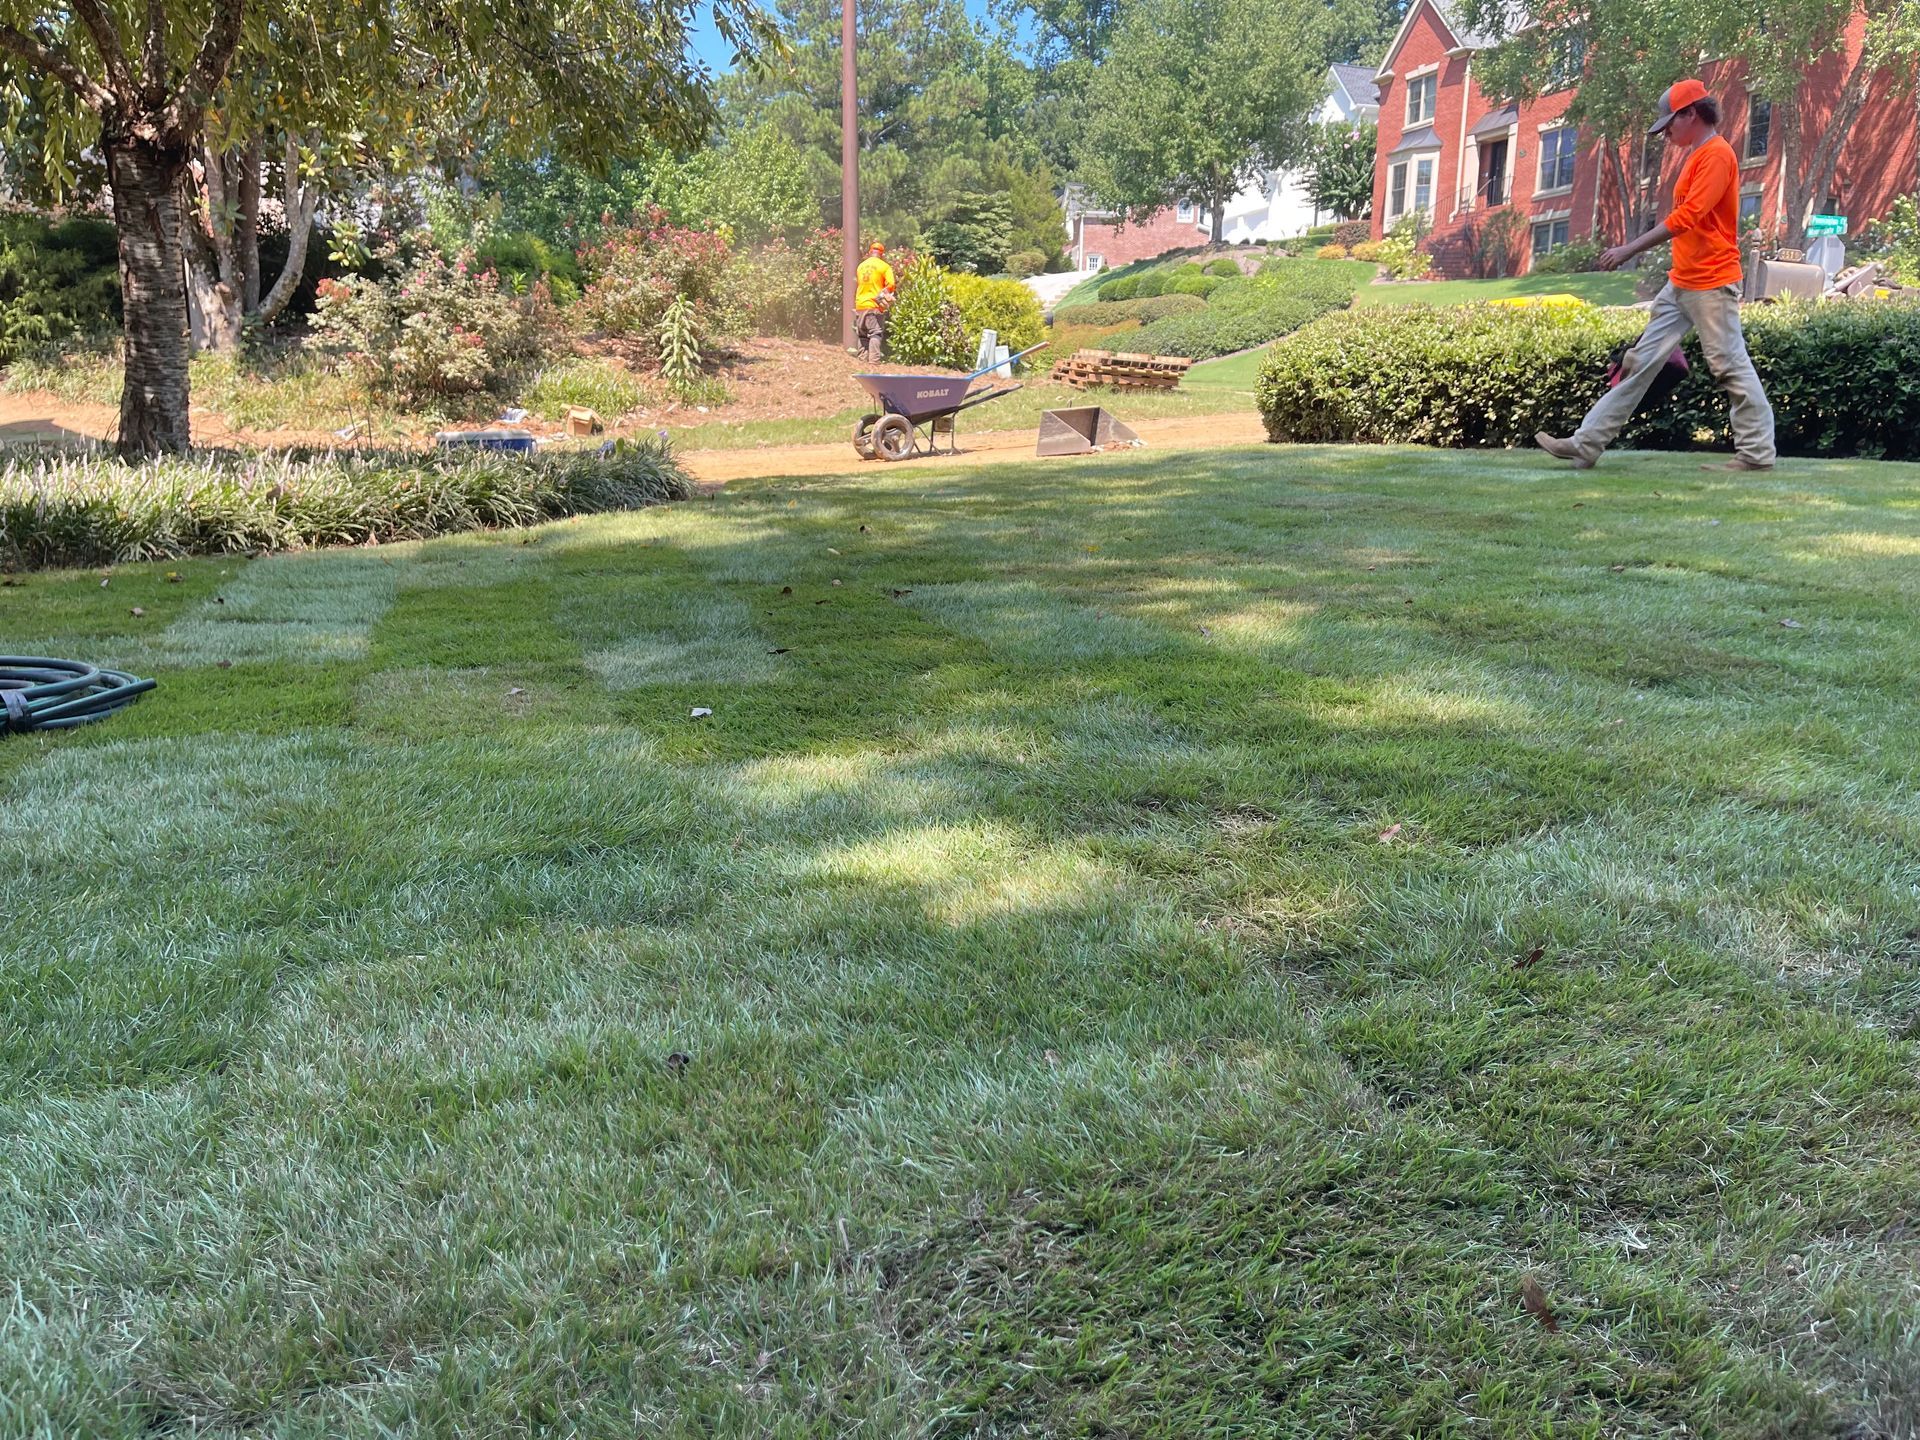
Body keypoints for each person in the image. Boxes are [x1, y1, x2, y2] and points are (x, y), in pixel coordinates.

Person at [1535, 79, 1775, 473]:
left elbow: (1687, 218)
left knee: (1729, 364)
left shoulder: (1717, 155)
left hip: (1712, 282)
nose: (1665, 133)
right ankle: (1585, 444)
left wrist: (1629, 248)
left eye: (1669, 124)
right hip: (1681, 281)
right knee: (1639, 362)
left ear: (1691, 114)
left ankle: (1756, 455)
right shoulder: (1696, 156)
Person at [853, 242, 896, 364]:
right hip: (874, 305)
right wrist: (885, 294)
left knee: (862, 335)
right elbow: (891, 284)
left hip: (860, 304)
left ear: (869, 252)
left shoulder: (860, 266)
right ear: (882, 254)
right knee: (875, 333)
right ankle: (874, 361)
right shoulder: (884, 266)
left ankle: (862, 361)